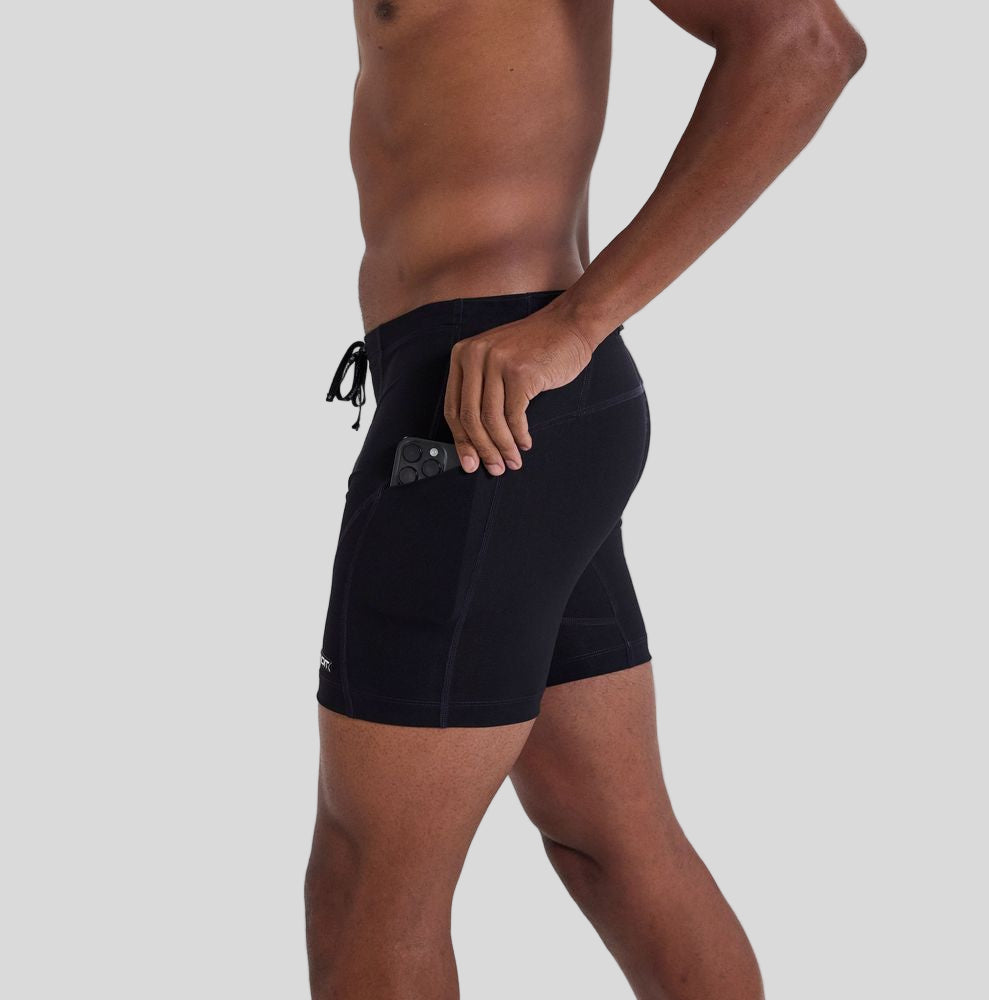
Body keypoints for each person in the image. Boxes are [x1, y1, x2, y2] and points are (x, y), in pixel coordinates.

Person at [306, 1, 864, 997]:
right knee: (607, 839)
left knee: (364, 885)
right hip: (504, 408)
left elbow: (805, 44)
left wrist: (579, 322)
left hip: (484, 410)